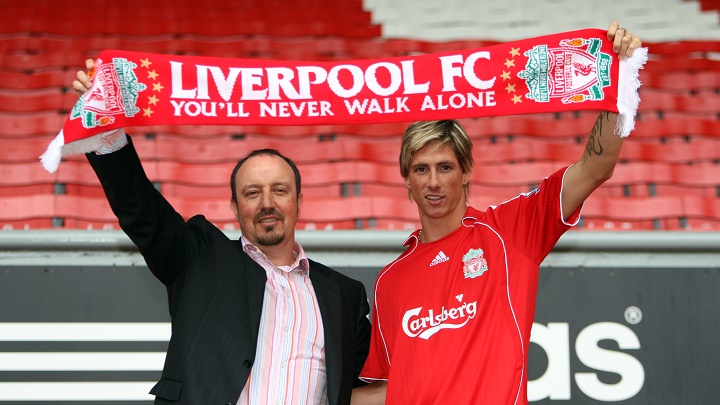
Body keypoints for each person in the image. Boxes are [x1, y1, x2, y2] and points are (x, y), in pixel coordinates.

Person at [352, 22, 643, 405]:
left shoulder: (509, 231)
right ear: (406, 178)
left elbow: (596, 166)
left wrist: (618, 77)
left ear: (467, 170)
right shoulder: (390, 280)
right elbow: (391, 390)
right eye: (421, 169)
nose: (433, 182)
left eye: (445, 167)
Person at [73, 62, 371, 405]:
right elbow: (141, 210)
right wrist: (109, 133)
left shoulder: (345, 296)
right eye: (252, 192)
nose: (267, 204)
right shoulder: (197, 259)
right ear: (235, 206)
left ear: (299, 201)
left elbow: (361, 392)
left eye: (280, 190)